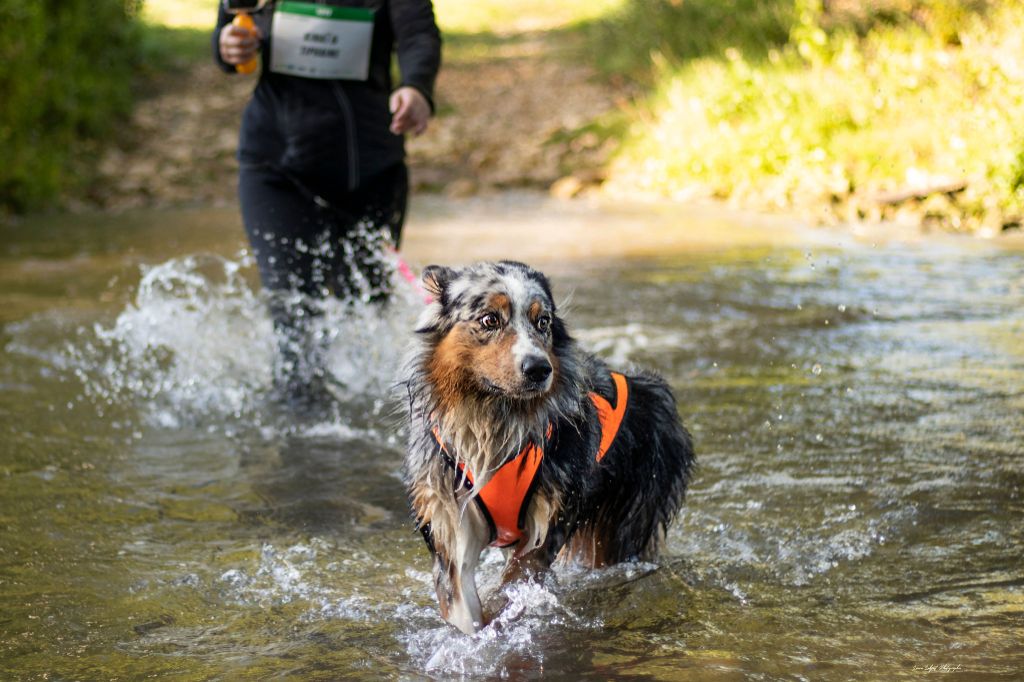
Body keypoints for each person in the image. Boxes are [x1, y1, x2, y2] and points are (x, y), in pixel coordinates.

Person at [212, 0, 441, 406]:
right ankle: (299, 440)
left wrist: (416, 87)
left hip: (369, 168)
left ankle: (369, 426)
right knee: (294, 311)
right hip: (276, 165)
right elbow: (229, 32)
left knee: (367, 308)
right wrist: (230, 46)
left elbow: (418, 34)